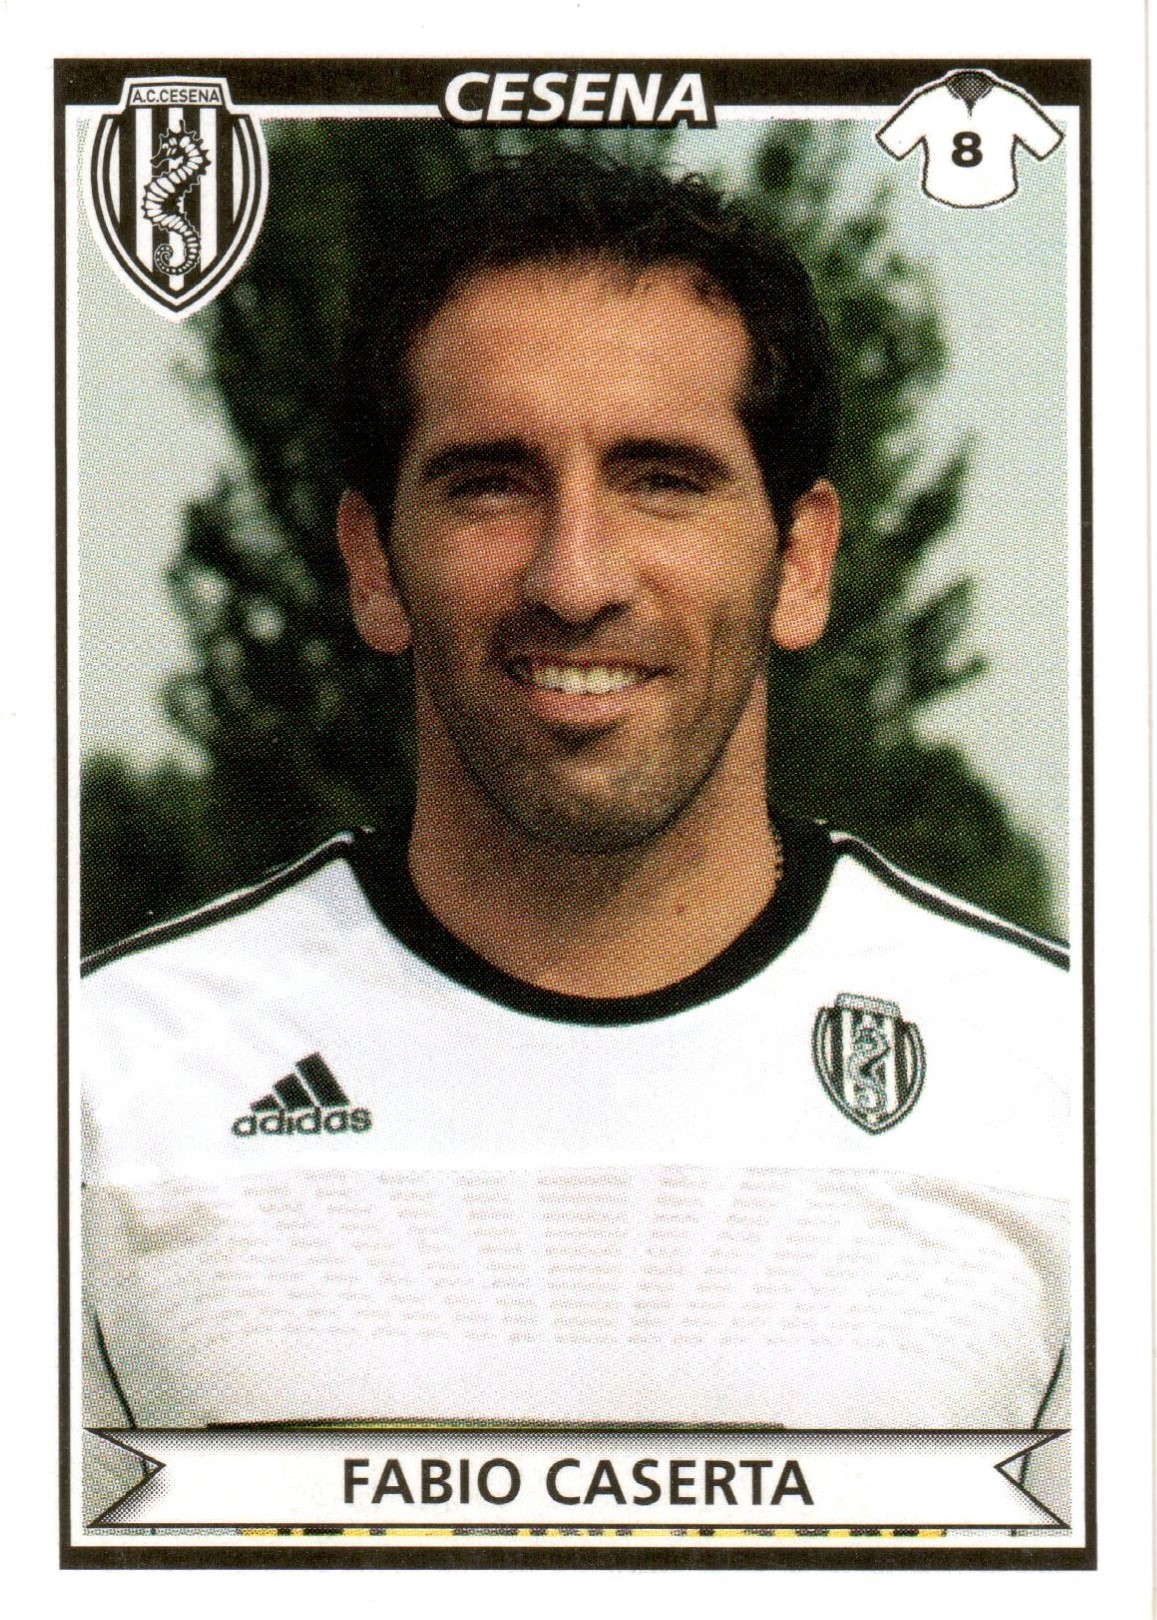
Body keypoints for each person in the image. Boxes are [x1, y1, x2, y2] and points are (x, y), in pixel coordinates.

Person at [80, 150, 1070, 1528]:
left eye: (663, 479)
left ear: (799, 562)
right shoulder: (100, 1085)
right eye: (491, 483)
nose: (575, 577)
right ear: (373, 565)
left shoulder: (1071, 1082)